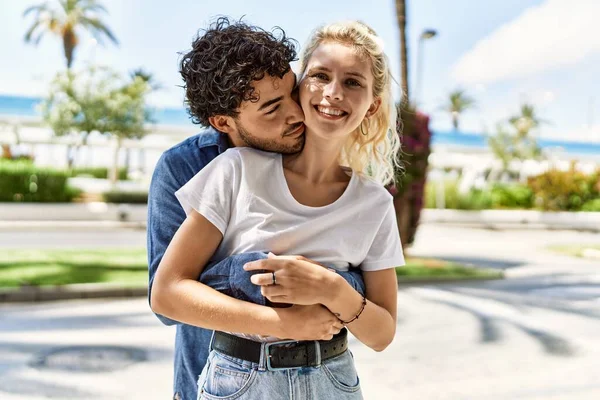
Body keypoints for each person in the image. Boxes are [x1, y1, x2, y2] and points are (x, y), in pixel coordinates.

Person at [151, 20, 404, 399]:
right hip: (228, 377)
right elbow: (167, 296)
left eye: (353, 82)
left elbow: (382, 331)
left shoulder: (374, 203)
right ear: (224, 123)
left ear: (372, 107)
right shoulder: (224, 169)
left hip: (332, 380)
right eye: (320, 76)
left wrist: (333, 286)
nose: (297, 113)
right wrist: (282, 315)